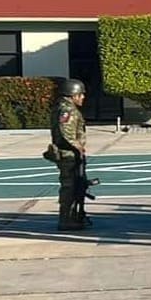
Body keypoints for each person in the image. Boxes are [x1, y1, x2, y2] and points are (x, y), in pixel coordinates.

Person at [53, 79, 89, 231]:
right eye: (80, 95)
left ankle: (73, 216)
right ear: (72, 95)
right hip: (69, 155)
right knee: (70, 187)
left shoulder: (64, 107)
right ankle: (66, 219)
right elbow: (67, 133)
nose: (82, 98)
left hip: (70, 154)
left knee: (76, 186)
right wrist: (78, 147)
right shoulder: (68, 110)